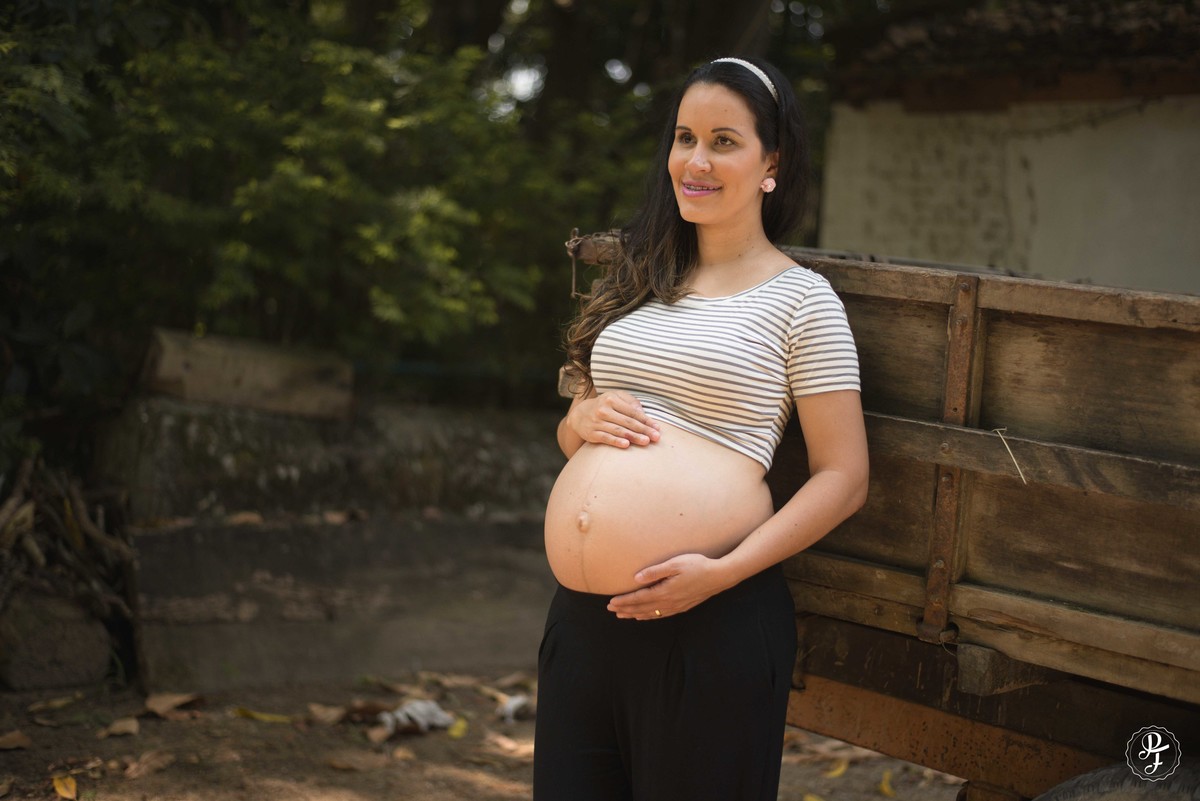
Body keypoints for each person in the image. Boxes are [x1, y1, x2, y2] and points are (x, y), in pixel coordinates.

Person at [535, 55, 869, 801]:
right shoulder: (639, 280)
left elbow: (844, 478)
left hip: (708, 621)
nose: (696, 160)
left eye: (724, 141)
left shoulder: (801, 302)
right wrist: (579, 417)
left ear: (771, 161)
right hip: (583, 627)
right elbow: (580, 438)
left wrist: (722, 574)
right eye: (685, 138)